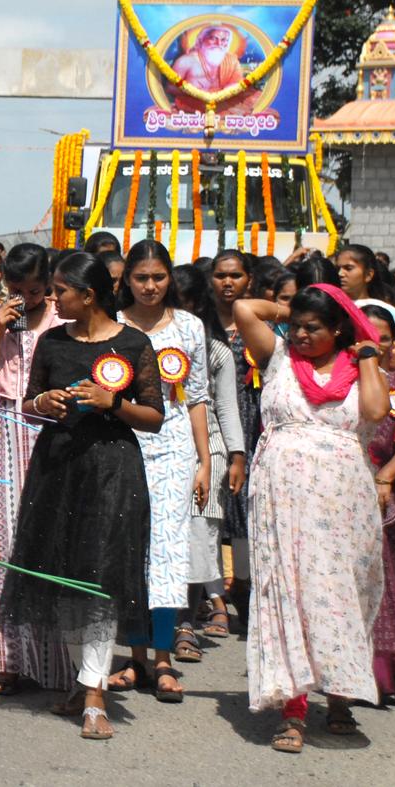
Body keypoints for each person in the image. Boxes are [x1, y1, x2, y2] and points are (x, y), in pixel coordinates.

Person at [2, 251, 164, 740]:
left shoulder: (135, 344)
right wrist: (41, 403)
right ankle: (82, 679)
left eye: (60, 290)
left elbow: (155, 417)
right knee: (64, 575)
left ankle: (95, 693)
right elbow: (30, 403)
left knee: (99, 577)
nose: (53, 298)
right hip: (58, 468)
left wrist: (113, 402)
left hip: (113, 471)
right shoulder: (51, 341)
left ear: (88, 295)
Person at [235, 284, 388, 753]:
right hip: (281, 497)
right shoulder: (277, 354)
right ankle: (293, 708)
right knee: (288, 596)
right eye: (296, 325)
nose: (300, 334)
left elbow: (377, 412)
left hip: (344, 501)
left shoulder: (363, 367)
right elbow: (244, 307)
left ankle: (340, 694)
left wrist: (365, 355)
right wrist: (296, 306)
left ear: (339, 328)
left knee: (342, 594)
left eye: (313, 327)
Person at [0, 243, 73, 695]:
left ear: (48, 284)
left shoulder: (62, 321)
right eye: (17, 289)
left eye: (36, 290)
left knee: (41, 538)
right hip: (1, 434)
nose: (26, 298)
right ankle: (2, 659)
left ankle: (48, 662)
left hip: (45, 435)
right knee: (2, 539)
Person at [108, 241, 210, 702]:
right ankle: (136, 658)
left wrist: (205, 460)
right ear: (126, 280)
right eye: (141, 278)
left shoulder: (189, 326)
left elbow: (198, 398)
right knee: (131, 546)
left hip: (173, 448)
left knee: (168, 547)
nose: (150, 287)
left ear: (171, 278)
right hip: (123, 444)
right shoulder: (112, 326)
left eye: (159, 277)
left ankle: (164, 658)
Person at [172, 264, 246, 651]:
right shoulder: (148, 342)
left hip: (211, 449)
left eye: (187, 305)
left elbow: (227, 408)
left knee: (200, 537)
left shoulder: (215, 351)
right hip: (161, 445)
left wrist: (236, 455)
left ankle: (185, 623)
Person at [211, 249, 257, 618]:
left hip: (250, 422)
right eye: (221, 275)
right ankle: (212, 594)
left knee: (243, 506)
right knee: (212, 507)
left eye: (236, 275)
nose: (228, 282)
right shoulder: (202, 322)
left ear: (249, 280)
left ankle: (242, 582)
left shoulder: (257, 324)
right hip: (209, 420)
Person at [363, 304, 395, 699]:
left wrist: (386, 476)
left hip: (392, 493)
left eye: (385, 340)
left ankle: (390, 674)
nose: (377, 346)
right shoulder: (345, 379)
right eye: (368, 339)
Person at [170, 24, 262, 114]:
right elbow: (171, 87)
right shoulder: (186, 61)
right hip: (196, 101)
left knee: (255, 96)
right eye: (213, 38)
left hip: (224, 99)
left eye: (224, 40)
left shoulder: (232, 60)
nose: (219, 43)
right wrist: (195, 91)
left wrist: (222, 94)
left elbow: (237, 84)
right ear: (201, 40)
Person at [337, 243, 395, 325]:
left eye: (348, 268)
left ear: (368, 275)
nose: (340, 273)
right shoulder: (331, 307)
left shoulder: (388, 311)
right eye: (338, 268)